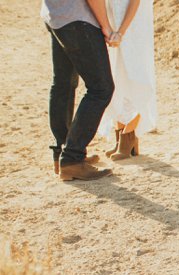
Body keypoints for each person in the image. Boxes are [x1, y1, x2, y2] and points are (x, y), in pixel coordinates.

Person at [42, 0, 117, 181]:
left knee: (63, 84)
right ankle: (72, 158)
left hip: (55, 15)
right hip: (78, 20)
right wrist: (106, 26)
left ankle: (62, 153)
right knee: (101, 89)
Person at [100, 0, 157, 161]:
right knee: (116, 77)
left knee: (135, 75)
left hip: (132, 25)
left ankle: (129, 136)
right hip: (113, 22)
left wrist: (121, 31)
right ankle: (120, 134)